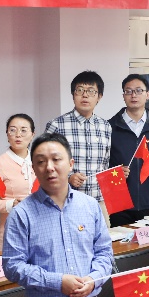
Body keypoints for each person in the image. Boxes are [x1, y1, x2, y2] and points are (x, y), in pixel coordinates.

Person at [2, 132, 113, 297]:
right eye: (41, 162)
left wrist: (93, 279)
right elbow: (13, 267)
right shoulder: (22, 214)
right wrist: (57, 282)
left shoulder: (90, 206)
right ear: (34, 168)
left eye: (56, 159)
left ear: (70, 164)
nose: (49, 167)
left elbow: (104, 254)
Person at [106, 74, 149, 225]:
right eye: (128, 91)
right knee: (122, 240)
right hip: (120, 204)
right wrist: (114, 172)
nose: (133, 95)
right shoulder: (110, 127)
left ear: (147, 95)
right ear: (123, 96)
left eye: (138, 91)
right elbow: (103, 164)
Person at [44, 70, 112, 211]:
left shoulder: (105, 126)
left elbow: (105, 165)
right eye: (80, 90)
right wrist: (68, 177)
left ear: (99, 97)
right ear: (73, 95)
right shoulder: (57, 125)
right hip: (66, 201)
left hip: (98, 201)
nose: (85, 95)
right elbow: (45, 161)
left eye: (91, 91)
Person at [0, 113, 36, 253]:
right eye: (13, 130)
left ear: (32, 135)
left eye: (23, 130)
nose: (18, 135)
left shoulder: (39, 160)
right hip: (12, 228)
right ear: (7, 134)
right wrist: (11, 204)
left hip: (39, 227)